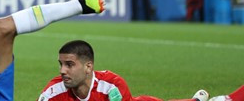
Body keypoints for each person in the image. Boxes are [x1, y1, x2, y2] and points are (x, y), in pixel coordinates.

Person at [38, 40, 243, 101]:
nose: (63, 71)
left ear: (89, 67)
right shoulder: (52, 93)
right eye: (61, 64)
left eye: (70, 64)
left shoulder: (112, 87)